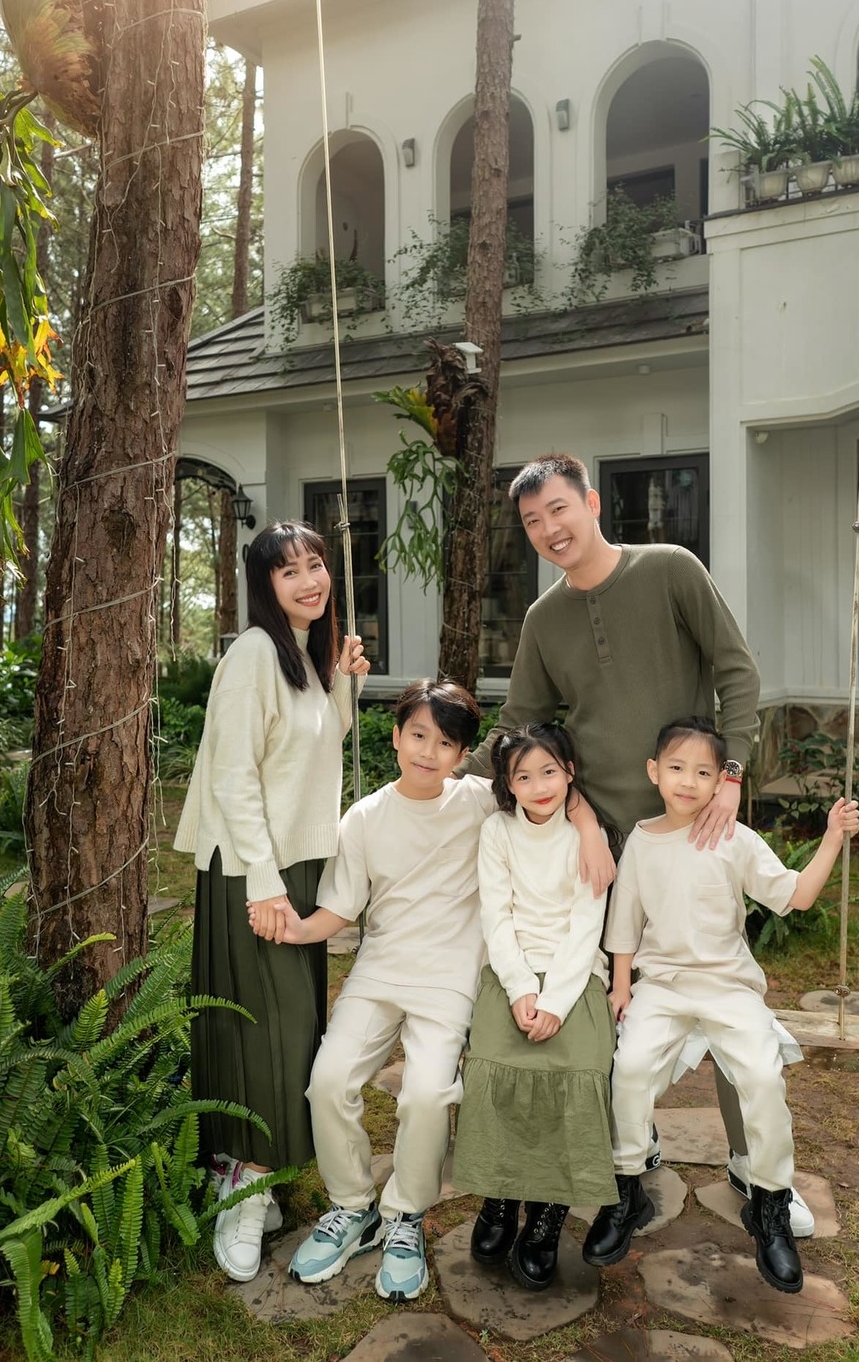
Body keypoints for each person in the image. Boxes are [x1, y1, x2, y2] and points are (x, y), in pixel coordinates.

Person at [460, 453, 815, 1238]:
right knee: (619, 999)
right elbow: (521, 729)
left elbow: (737, 670)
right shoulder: (542, 620)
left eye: (559, 508)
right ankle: (634, 1146)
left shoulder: (670, 569)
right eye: (532, 521)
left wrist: (730, 774)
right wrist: (447, 778)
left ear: (590, 502)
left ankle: (755, 1165)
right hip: (609, 843)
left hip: (698, 825)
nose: (549, 529)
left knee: (723, 989)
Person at [253, 681, 613, 1303]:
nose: (428, 751)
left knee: (425, 1094)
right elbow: (341, 906)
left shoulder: (478, 801)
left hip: (449, 978)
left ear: (462, 755)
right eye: (417, 735)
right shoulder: (364, 817)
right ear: (395, 737)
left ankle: (405, 1218)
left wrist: (587, 825)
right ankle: (352, 1207)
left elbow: (543, 780)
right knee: (328, 1081)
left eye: (445, 743)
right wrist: (296, 929)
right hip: (379, 970)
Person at [588, 716, 859, 1293]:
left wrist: (833, 837)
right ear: (654, 772)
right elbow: (624, 924)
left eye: (703, 772)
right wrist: (621, 985)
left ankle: (769, 1205)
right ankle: (625, 1191)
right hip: (662, 985)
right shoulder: (641, 840)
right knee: (629, 1068)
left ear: (721, 782)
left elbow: (796, 896)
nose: (688, 781)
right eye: (677, 768)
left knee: (761, 1075)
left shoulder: (734, 838)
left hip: (728, 986)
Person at [174, 521, 368, 1283]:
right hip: (255, 870)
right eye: (289, 571)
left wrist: (342, 680)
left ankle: (245, 1167)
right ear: (265, 585)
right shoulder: (254, 653)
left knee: (286, 1030)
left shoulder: (303, 653)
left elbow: (318, 745)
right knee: (268, 1030)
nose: (309, 580)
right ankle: (246, 1188)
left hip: (295, 863)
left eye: (315, 564)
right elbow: (233, 774)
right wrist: (262, 881)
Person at [453, 724, 618, 1292]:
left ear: (570, 771)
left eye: (549, 771)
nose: (539, 786)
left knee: (576, 1073)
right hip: (511, 970)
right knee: (493, 1067)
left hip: (576, 975)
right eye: (523, 776)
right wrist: (522, 988)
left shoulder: (587, 837)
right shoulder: (497, 832)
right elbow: (496, 916)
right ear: (507, 783)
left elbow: (586, 925)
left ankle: (549, 1210)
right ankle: (500, 1196)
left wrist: (555, 1001)